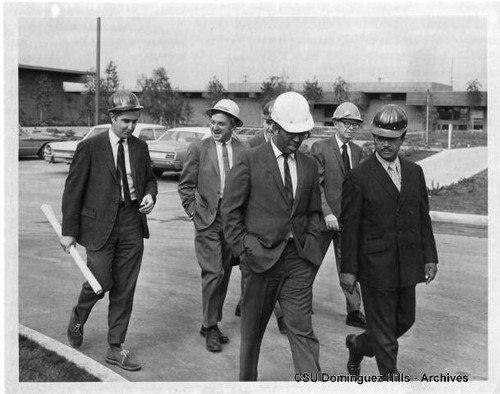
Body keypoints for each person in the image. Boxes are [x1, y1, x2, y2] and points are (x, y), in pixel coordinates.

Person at [222, 92, 323, 381]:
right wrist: (245, 249)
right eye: (291, 133)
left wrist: (311, 247)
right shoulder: (250, 159)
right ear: (274, 127)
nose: (297, 139)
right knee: (252, 336)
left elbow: (313, 211)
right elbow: (230, 211)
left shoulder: (308, 164)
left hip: (298, 261)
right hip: (259, 261)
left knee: (302, 330)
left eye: (302, 133)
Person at [340, 104, 438, 380]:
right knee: (385, 337)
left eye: (392, 139)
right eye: (380, 138)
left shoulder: (414, 172)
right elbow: (350, 229)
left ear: (403, 139)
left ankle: (358, 344)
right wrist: (348, 269)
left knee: (404, 320)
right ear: (373, 138)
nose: (385, 144)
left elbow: (423, 218)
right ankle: (390, 379)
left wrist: (430, 257)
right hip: (375, 266)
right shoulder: (358, 177)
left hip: (407, 264)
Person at [62, 90, 157, 371]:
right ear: (112, 117)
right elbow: (73, 190)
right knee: (99, 281)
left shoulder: (140, 148)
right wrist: (69, 230)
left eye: (135, 122)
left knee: (125, 288)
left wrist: (151, 196)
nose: (131, 127)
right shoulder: (90, 147)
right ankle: (79, 315)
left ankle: (115, 347)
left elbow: (150, 180)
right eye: (126, 121)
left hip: (131, 223)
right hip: (98, 225)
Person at [178, 99, 247, 353]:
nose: (215, 128)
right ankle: (210, 326)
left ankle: (210, 323)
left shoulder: (244, 150)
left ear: (233, 126)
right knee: (214, 272)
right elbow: (186, 185)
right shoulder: (199, 148)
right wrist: (193, 210)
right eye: (213, 123)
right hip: (207, 219)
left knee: (225, 272)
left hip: (232, 221)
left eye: (221, 124)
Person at [310, 102, 367, 329]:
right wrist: (327, 213)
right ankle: (299, 303)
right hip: (325, 221)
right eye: (347, 123)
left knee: (349, 266)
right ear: (335, 123)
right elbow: (317, 185)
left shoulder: (357, 151)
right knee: (310, 263)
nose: (351, 128)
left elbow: (357, 188)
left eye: (355, 124)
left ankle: (354, 311)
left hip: (348, 222)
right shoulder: (320, 148)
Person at [234, 99, 287, 335]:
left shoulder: (290, 147)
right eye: (267, 121)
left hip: (279, 228)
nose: (270, 127)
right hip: (253, 227)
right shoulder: (249, 148)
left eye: (274, 122)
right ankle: (280, 315)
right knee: (254, 271)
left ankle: (247, 301)